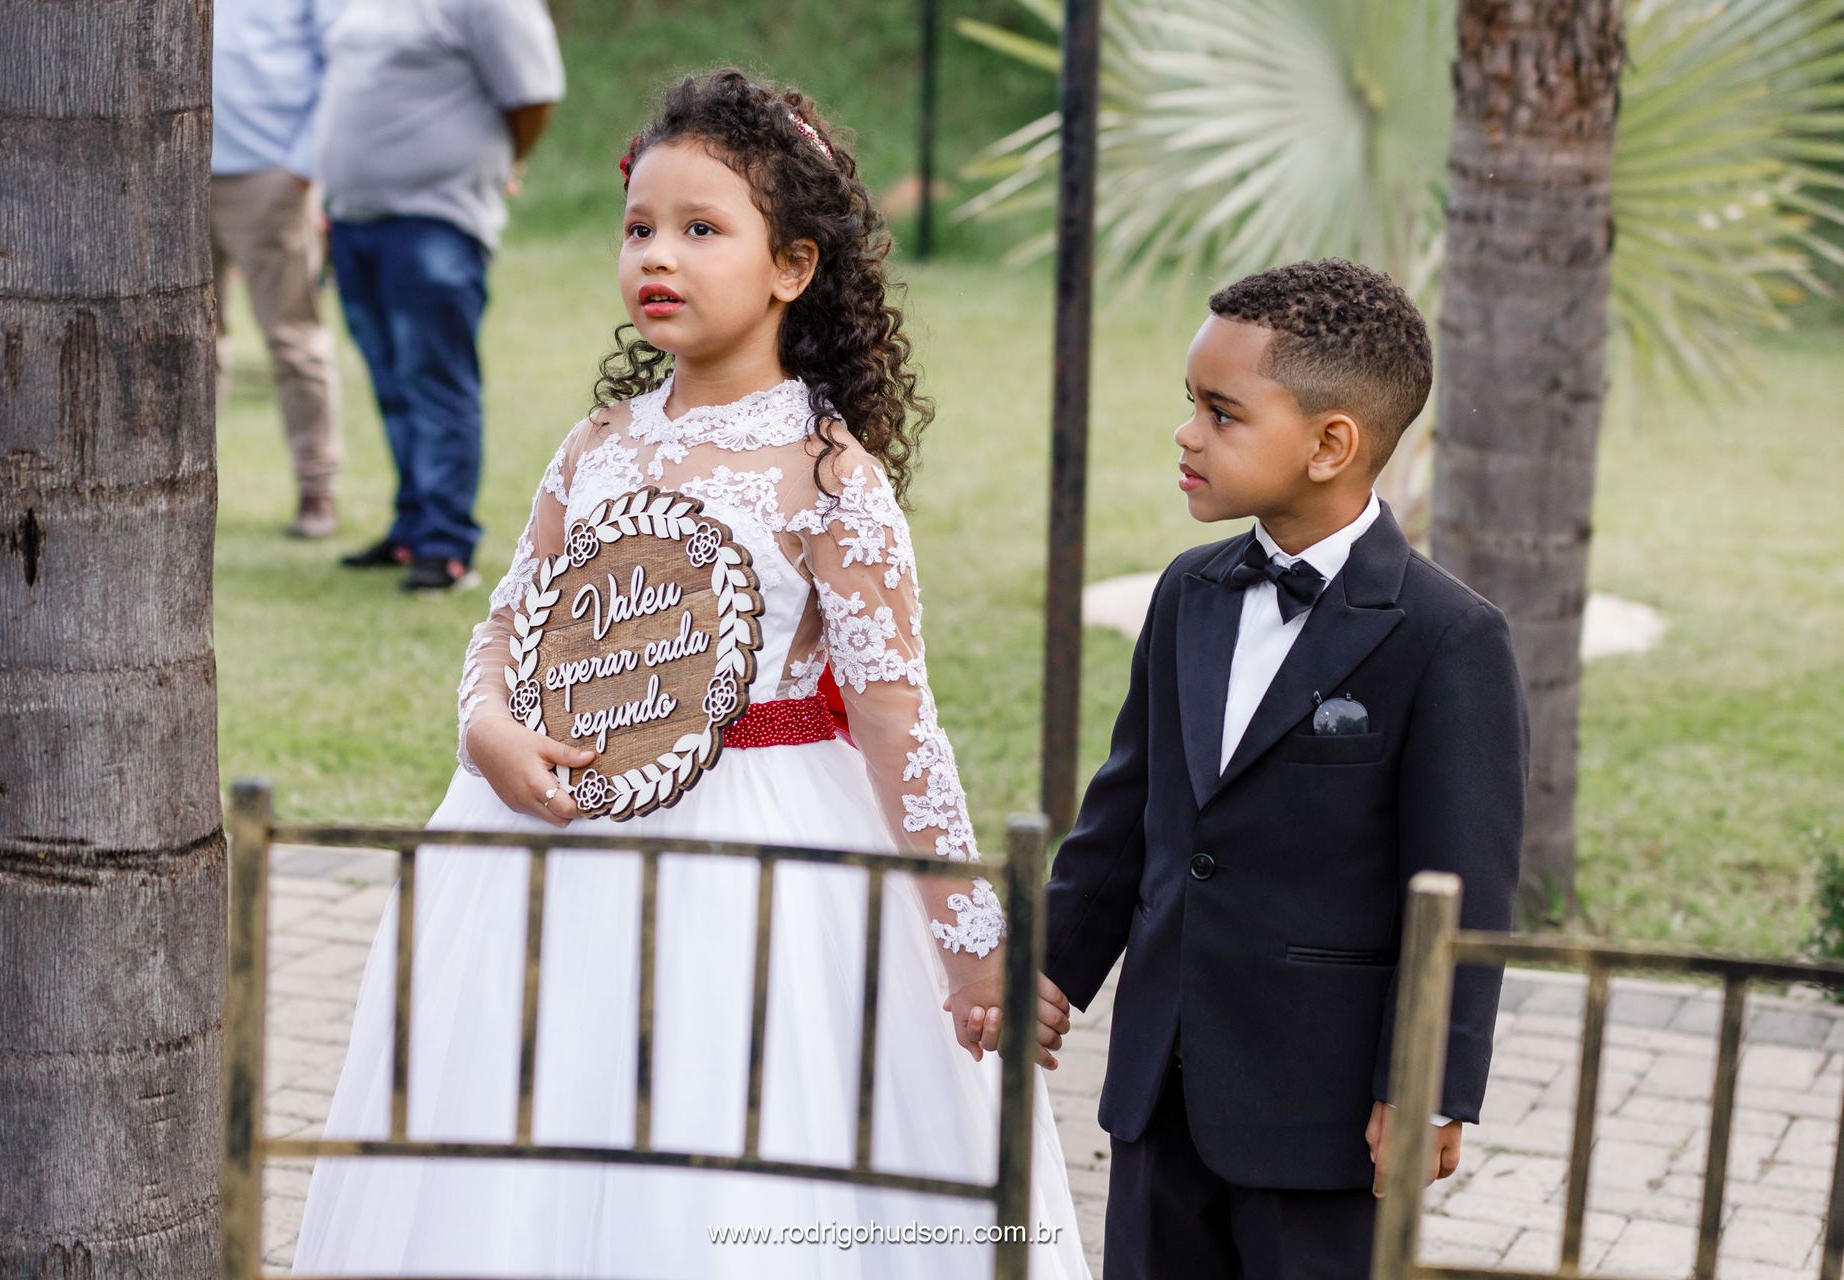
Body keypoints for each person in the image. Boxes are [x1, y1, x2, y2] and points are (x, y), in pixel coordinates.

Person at [292, 70, 1090, 1277]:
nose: (657, 254)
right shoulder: (600, 445)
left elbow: (897, 719)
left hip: (759, 847)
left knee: (720, 1126)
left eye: (701, 228)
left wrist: (970, 931)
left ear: (793, 268)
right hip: (557, 832)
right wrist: (490, 728)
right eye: (639, 227)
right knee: (549, 1116)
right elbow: (510, 619)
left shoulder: (829, 477)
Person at [1041, 260, 1528, 1279]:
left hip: (1323, 1111)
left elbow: (1464, 883)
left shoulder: (1447, 638)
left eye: (1221, 413)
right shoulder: (1189, 592)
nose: (1186, 434)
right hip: (1159, 1082)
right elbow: (1127, 810)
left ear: (1331, 442)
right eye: (1192, 406)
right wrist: (1052, 966)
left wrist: (1429, 1078)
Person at [314, 0, 563, 591]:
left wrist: (509, 157)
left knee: (435, 383)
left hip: (434, 221)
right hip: (354, 222)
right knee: (392, 383)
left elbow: (534, 94)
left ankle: (447, 546)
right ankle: (412, 528)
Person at [210, 0, 344, 538]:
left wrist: (301, 166)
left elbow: (341, 60)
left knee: (293, 339)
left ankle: (317, 488)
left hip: (270, 177)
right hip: (171, 164)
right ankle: (183, 482)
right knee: (187, 343)